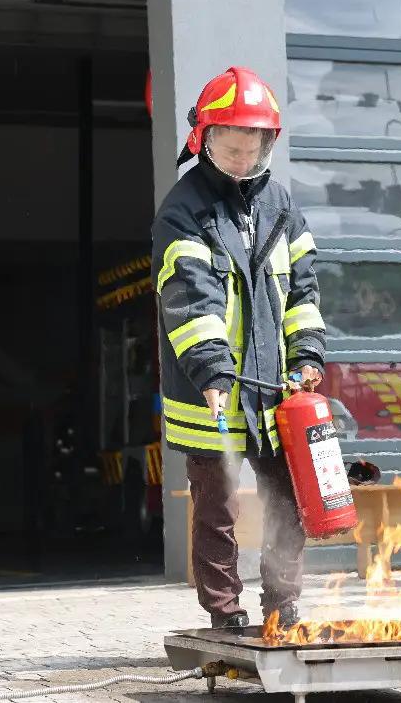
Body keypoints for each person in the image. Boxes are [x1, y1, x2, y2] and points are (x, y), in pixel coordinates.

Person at [152, 66, 327, 629]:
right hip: (212, 397)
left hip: (275, 391)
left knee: (287, 501)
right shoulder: (183, 210)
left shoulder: (280, 206)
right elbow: (189, 297)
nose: (241, 160)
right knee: (217, 511)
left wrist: (307, 355)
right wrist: (211, 371)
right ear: (204, 139)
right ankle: (225, 616)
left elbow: (302, 290)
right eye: (231, 149)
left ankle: (283, 606)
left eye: (252, 149)